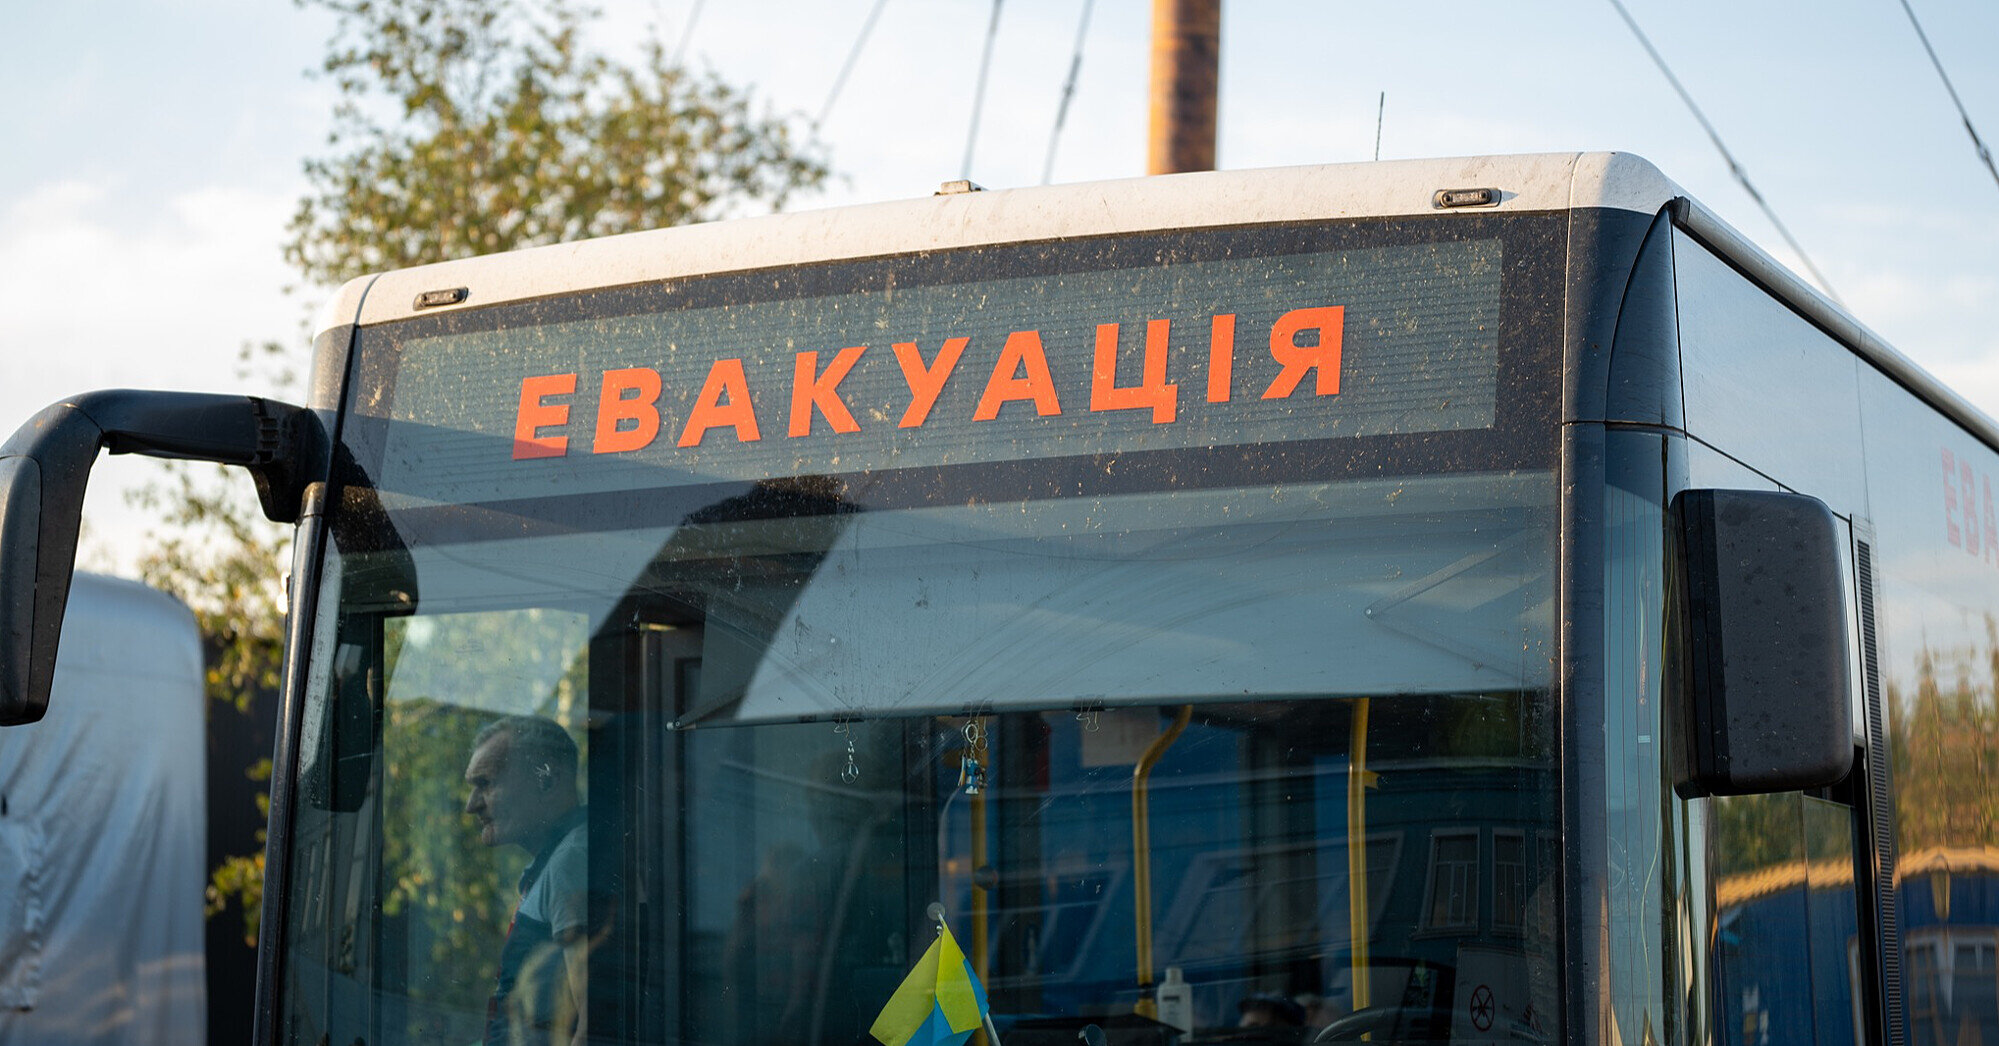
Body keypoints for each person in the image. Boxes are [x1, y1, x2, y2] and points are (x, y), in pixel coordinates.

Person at [463, 714, 587, 1046]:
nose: (471, 805)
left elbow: (591, 1027)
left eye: (485, 784)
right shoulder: (557, 861)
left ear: (547, 781)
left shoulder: (571, 861)